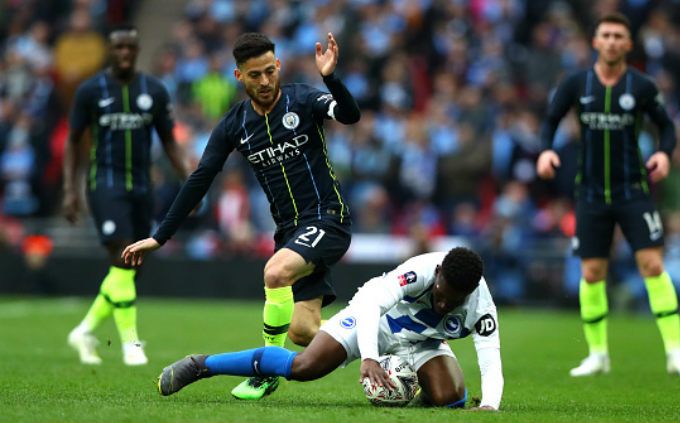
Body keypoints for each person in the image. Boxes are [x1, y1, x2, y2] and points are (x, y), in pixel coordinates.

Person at [122, 32, 360, 399]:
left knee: (275, 272)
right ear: (239, 76)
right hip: (290, 232)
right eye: (255, 75)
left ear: (278, 66)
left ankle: (265, 372)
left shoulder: (303, 99)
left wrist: (330, 78)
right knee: (303, 330)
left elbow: (349, 114)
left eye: (269, 71)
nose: (265, 82)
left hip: (327, 217)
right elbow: (199, 179)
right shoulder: (235, 125)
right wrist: (160, 236)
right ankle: (389, 342)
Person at [536, 13, 680, 378]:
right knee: (592, 272)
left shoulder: (641, 86)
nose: (611, 41)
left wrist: (664, 153)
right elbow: (550, 119)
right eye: (605, 35)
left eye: (618, 36)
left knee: (653, 266)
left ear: (628, 44)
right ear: (595, 42)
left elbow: (667, 127)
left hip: (633, 191)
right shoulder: (575, 84)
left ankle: (676, 353)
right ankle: (597, 355)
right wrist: (546, 150)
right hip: (591, 194)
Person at [156, 247, 502, 410]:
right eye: (441, 296)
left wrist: (489, 406)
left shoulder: (481, 306)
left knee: (451, 399)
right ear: (438, 274)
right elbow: (372, 305)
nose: (443, 305)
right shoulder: (420, 270)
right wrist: (369, 357)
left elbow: (490, 359)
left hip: (422, 343)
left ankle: (413, 392)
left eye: (453, 303)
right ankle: (202, 365)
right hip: (375, 320)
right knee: (305, 367)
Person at [63, 24, 191, 366]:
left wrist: (190, 182)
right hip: (105, 183)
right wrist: (68, 190)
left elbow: (168, 141)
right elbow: (73, 141)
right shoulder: (90, 90)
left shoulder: (154, 90)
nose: (124, 53)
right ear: (110, 49)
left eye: (130, 48)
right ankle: (130, 344)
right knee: (122, 258)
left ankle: (85, 329)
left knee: (131, 267)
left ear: (136, 50)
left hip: (141, 187)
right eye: (118, 47)